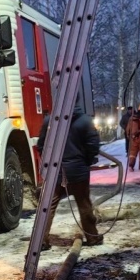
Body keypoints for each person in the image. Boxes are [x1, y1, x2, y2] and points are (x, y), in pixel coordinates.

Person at [39, 105, 103, 248]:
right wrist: (85, 162)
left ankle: (41, 240)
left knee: (48, 206)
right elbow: (93, 145)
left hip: (56, 171)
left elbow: (41, 146)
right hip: (78, 171)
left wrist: (49, 164)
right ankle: (92, 237)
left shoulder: (49, 120)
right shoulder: (85, 121)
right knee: (84, 205)